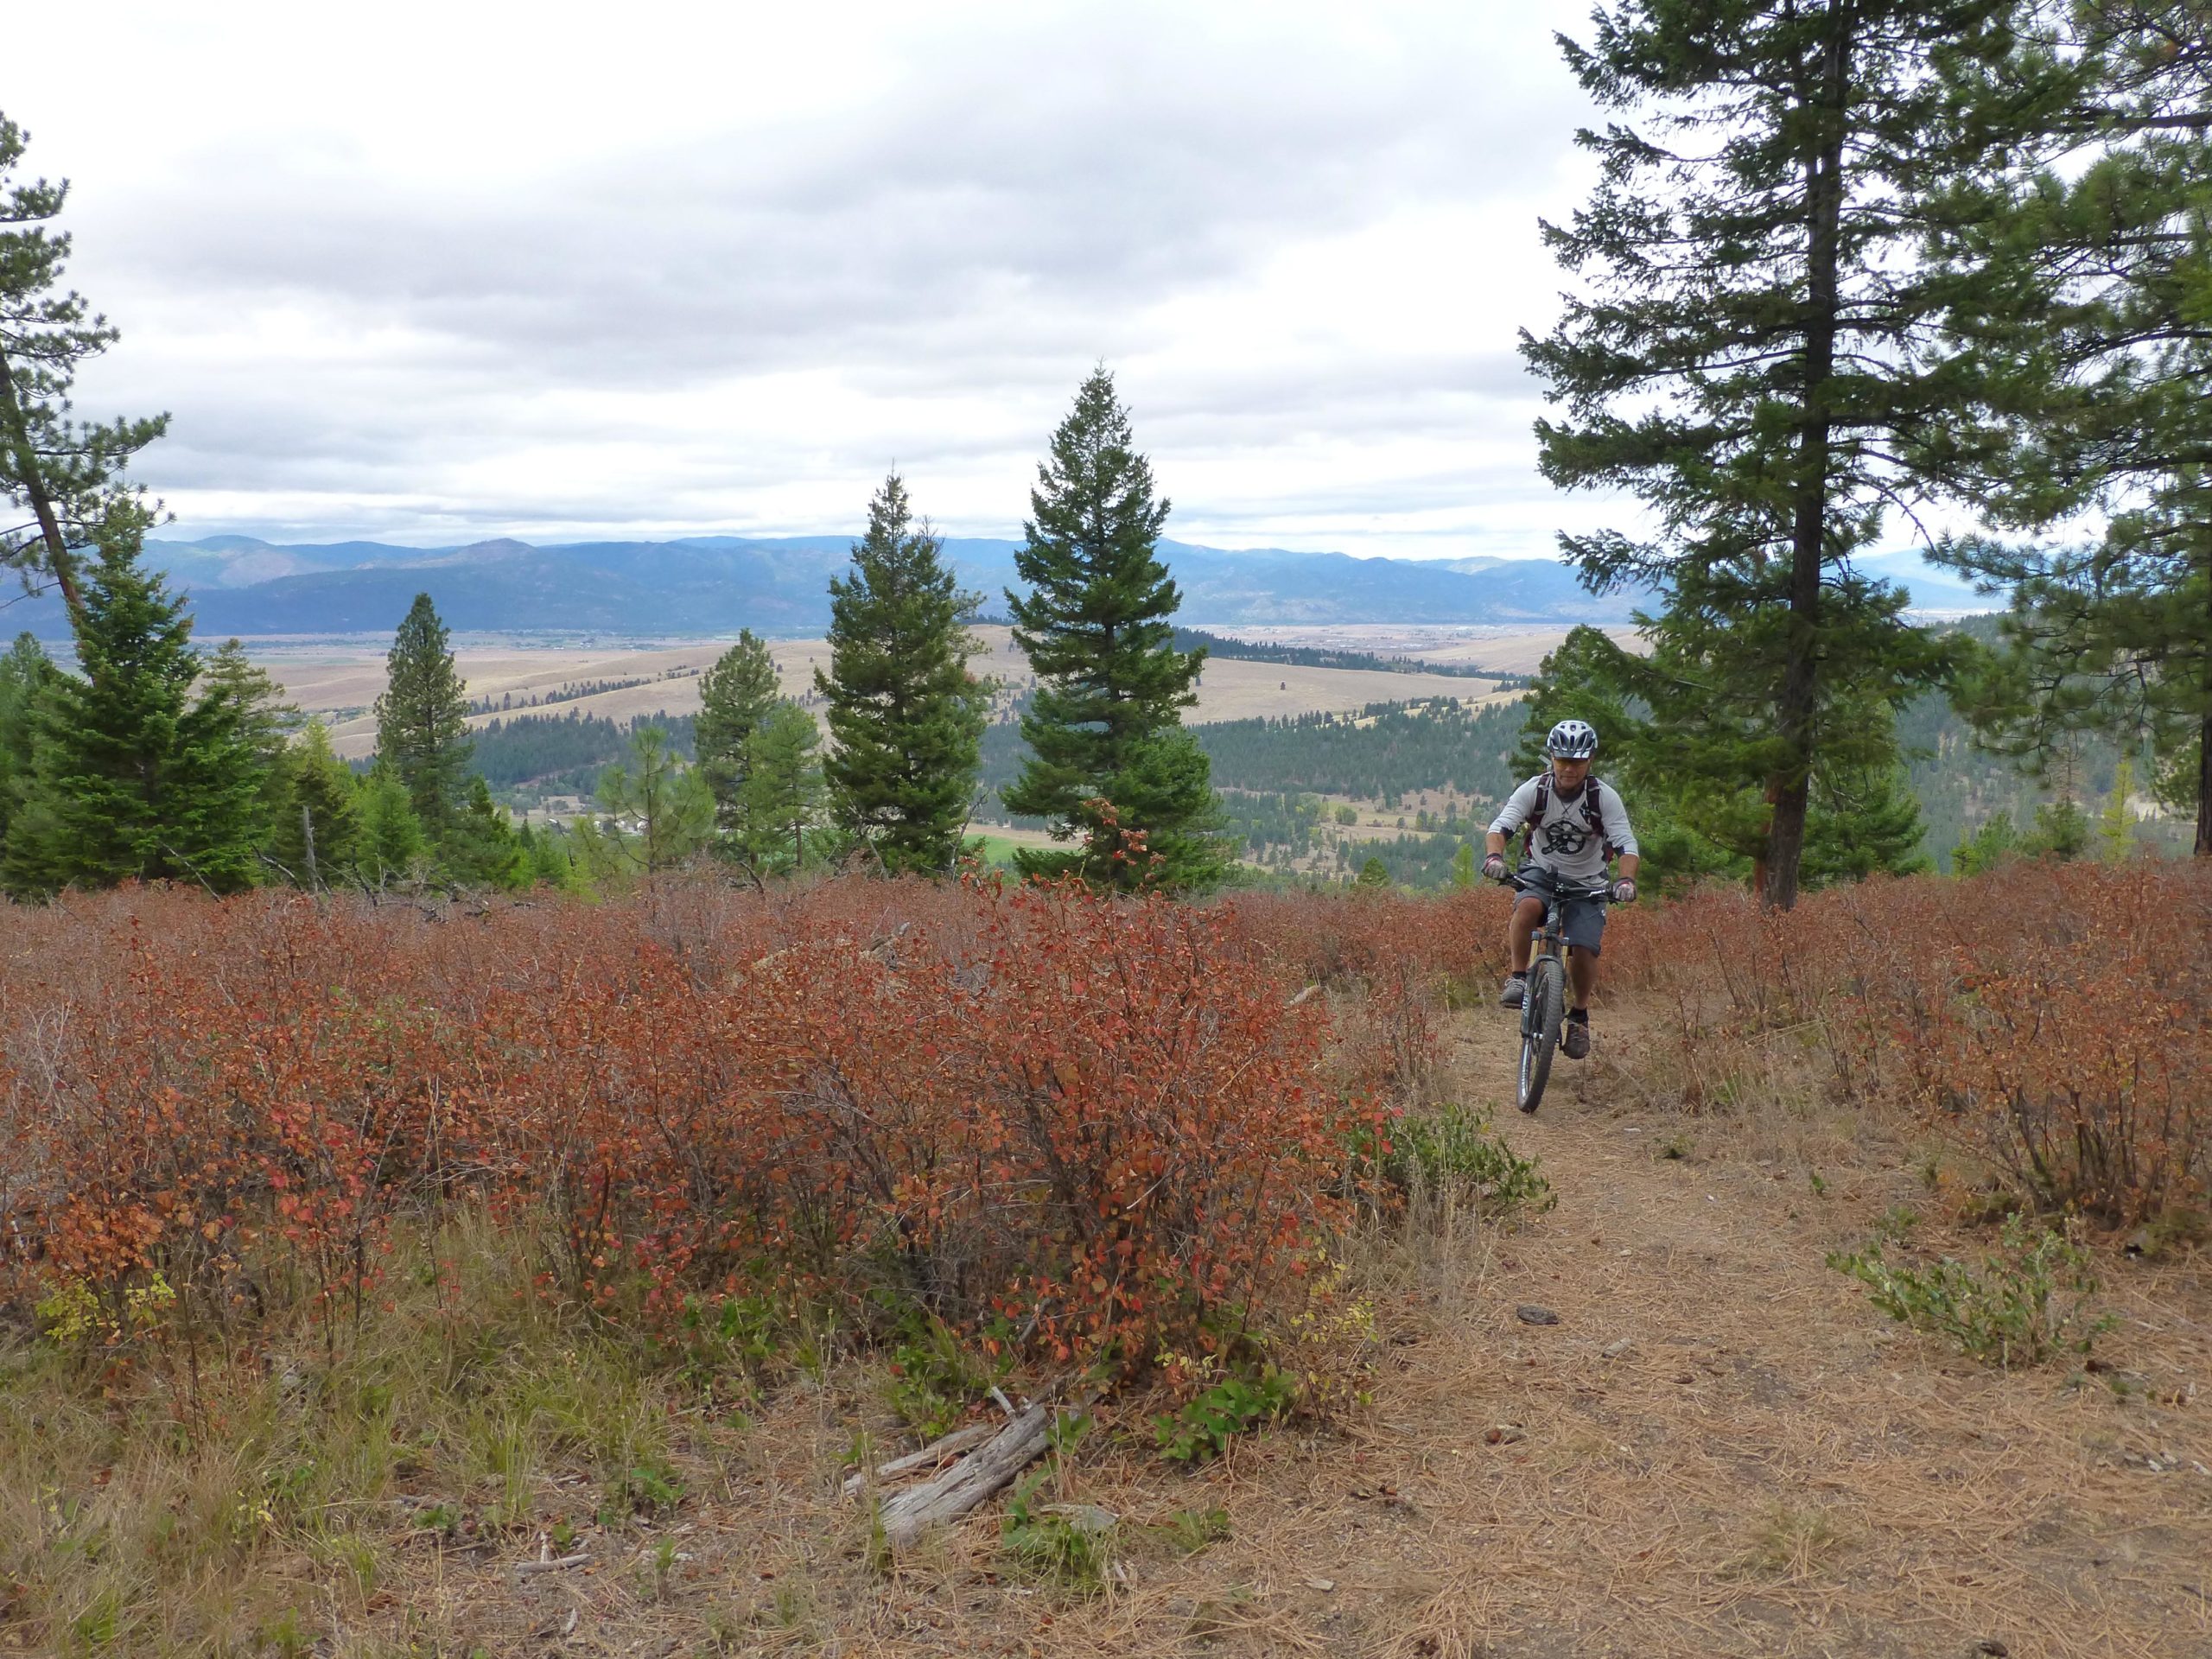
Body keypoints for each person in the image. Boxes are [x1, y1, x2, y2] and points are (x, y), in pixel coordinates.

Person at [1480, 719, 1639, 1060]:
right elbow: (1501, 826)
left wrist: (1625, 881)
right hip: (1541, 871)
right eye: (1562, 760)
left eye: (1577, 761)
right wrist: (1494, 857)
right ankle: (1519, 978)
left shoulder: (1603, 798)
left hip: (1589, 881)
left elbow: (1626, 845)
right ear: (1552, 758)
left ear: (1589, 762)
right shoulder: (1534, 790)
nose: (1569, 768)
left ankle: (1579, 1016)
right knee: (1527, 907)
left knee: (1583, 949)